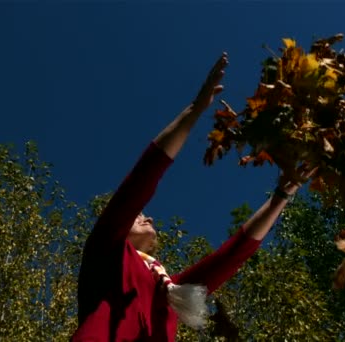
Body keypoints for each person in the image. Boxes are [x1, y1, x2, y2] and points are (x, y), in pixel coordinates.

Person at [71, 52, 315, 341]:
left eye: (144, 214)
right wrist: (195, 110)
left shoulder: (172, 293)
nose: (147, 215)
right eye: (138, 216)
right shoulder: (106, 252)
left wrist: (281, 197)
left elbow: (232, 254)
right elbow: (141, 181)